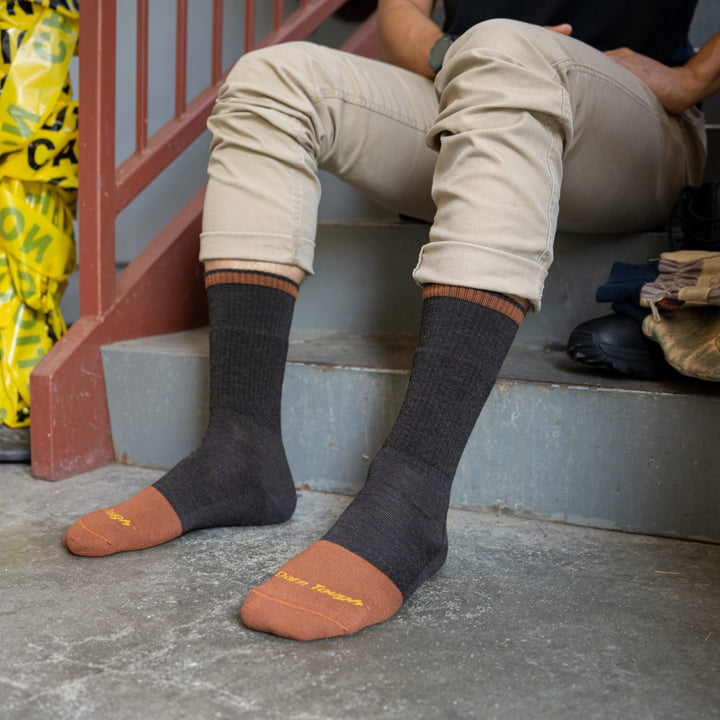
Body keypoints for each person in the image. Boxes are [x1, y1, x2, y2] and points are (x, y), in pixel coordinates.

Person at [64, 0, 719, 641]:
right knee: (270, 79)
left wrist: (692, 79)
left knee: (506, 49)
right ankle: (240, 451)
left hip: (632, 125)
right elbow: (401, 13)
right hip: (468, 94)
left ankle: (412, 494)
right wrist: (448, 53)